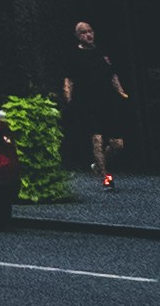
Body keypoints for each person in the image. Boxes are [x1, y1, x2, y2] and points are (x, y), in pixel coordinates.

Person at [59, 16, 141, 187]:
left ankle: (98, 164)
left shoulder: (101, 52)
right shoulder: (74, 55)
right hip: (88, 101)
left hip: (107, 100)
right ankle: (106, 178)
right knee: (97, 139)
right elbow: (69, 79)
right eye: (84, 33)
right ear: (77, 36)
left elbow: (112, 74)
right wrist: (68, 98)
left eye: (90, 31)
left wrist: (120, 91)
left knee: (117, 144)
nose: (88, 35)